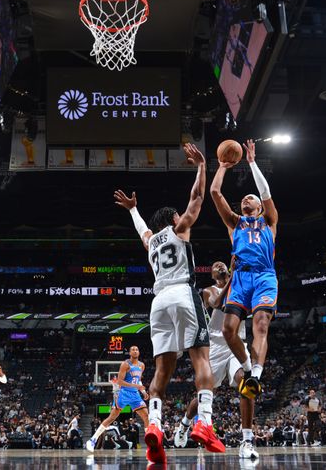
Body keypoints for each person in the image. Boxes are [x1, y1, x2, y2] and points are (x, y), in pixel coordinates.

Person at [114, 142, 224, 464]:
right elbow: (197, 199)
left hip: (157, 301)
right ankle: (204, 421)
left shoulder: (151, 243)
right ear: (172, 219)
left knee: (162, 370)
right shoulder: (179, 229)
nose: (181, 215)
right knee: (201, 358)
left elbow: (142, 231)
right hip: (182, 293)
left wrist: (133, 209)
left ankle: (156, 427)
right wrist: (202, 167)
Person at [210, 139, 279, 400]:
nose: (246, 200)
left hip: (263, 275)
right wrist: (222, 167)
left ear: (259, 206)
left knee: (261, 324)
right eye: (243, 198)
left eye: (251, 198)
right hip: (239, 277)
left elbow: (266, 192)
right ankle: (248, 369)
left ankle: (256, 377)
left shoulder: (269, 221)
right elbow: (216, 194)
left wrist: (251, 163)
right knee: (229, 329)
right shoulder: (234, 223)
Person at [173, 261, 259, 460]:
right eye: (215, 265)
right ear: (212, 274)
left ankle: (247, 440)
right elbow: (218, 304)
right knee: (206, 392)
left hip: (237, 343)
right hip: (216, 346)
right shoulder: (208, 290)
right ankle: (185, 424)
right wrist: (232, 276)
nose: (218, 265)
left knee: (246, 384)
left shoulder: (241, 286)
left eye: (222, 264)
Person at [86, 346, 150, 452]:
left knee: (146, 416)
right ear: (129, 352)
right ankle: (92, 440)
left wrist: (142, 391)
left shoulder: (142, 365)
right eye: (133, 349)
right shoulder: (125, 364)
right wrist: (137, 387)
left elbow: (138, 380)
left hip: (135, 394)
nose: (135, 351)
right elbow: (120, 382)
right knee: (112, 418)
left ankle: (150, 444)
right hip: (123, 393)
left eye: (137, 349)